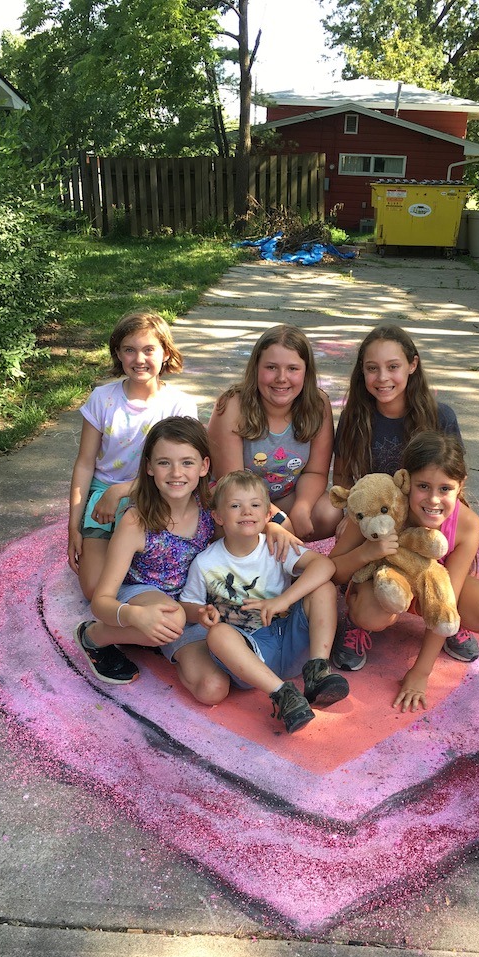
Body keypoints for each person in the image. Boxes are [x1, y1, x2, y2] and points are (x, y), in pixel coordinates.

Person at [75, 418, 299, 700]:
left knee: (213, 690)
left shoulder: (210, 501)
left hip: (193, 605)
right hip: (144, 595)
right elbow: (102, 600)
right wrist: (134, 615)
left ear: (204, 466)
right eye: (164, 463)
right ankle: (94, 636)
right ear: (148, 467)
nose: (176, 472)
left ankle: (156, 640)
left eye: (187, 463)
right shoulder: (136, 521)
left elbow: (261, 511)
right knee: (173, 616)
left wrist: (272, 526)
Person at [321, 322, 475, 666]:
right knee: (372, 599)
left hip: (424, 519)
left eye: (393, 366)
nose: (382, 378)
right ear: (362, 372)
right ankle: (358, 614)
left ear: (413, 365)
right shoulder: (355, 416)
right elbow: (344, 475)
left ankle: (443, 611)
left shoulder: (439, 415)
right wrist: (351, 520)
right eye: (372, 368)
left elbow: (452, 477)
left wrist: (450, 528)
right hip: (380, 521)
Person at [329, 430, 479, 712]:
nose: (434, 500)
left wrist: (421, 672)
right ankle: (356, 623)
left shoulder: (467, 525)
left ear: (460, 486)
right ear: (405, 481)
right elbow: (333, 571)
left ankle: (447, 626)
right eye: (423, 486)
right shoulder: (379, 502)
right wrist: (367, 553)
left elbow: (449, 593)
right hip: (384, 583)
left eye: (445, 489)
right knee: (371, 613)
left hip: (434, 587)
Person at [178, 470, 350, 735]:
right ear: (218, 517)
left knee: (323, 588)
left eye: (255, 505)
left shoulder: (276, 545)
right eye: (235, 506)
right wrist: (202, 614)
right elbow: (188, 604)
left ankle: (317, 671)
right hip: (251, 654)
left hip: (290, 639)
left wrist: (283, 600)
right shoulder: (205, 562)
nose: (246, 511)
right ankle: (283, 695)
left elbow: (324, 565)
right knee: (218, 634)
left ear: (268, 515)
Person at [68, 310, 197, 600]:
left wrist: (122, 491)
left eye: (149, 349)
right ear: (118, 354)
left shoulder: (180, 405)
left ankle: (129, 562)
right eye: (129, 350)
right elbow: (85, 464)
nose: (139, 359)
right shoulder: (102, 398)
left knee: (170, 577)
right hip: (103, 496)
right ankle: (117, 557)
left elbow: (182, 471)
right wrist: (73, 527)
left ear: (166, 353)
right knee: (94, 591)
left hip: (160, 493)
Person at [206, 324, 335, 541]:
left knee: (329, 512)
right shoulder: (232, 406)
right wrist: (280, 521)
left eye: (293, 369)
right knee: (255, 530)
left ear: (306, 371)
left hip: (283, 496)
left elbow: (316, 472)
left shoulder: (318, 404)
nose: (281, 378)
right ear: (256, 367)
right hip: (235, 499)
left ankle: (279, 544)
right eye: (271, 367)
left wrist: (302, 507)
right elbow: (233, 483)